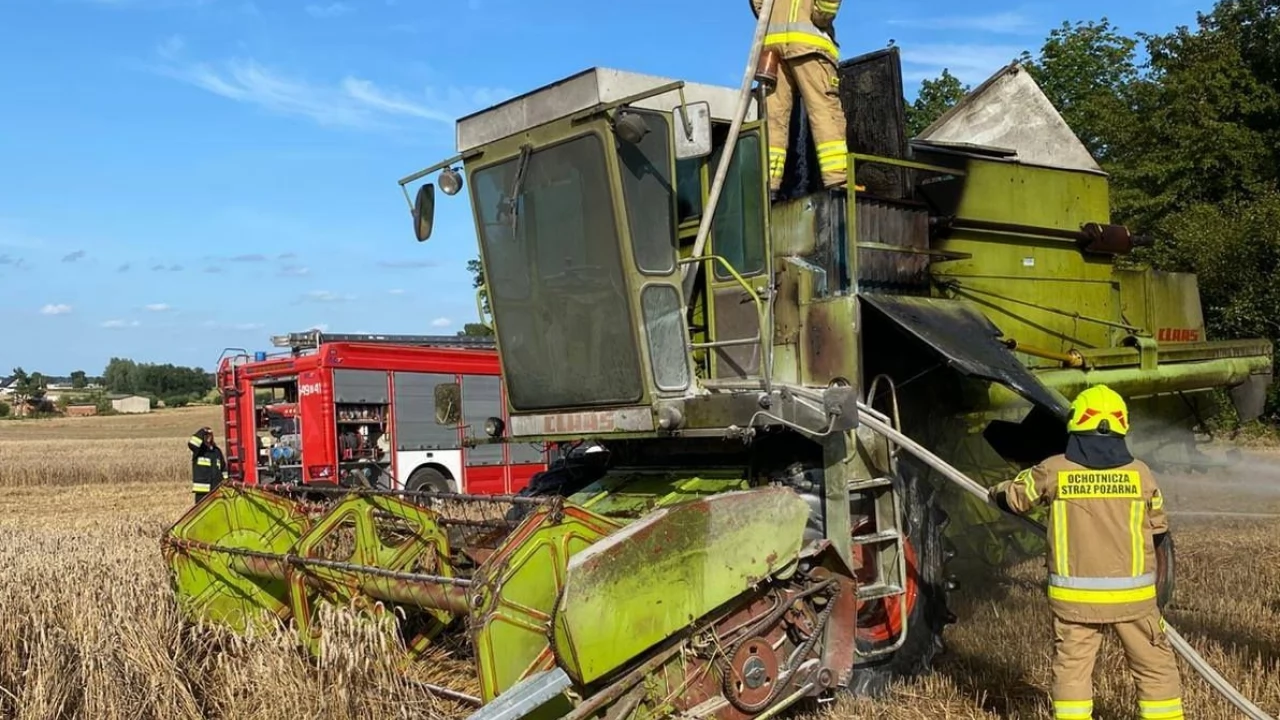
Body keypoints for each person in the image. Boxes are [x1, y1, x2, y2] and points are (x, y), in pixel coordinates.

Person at [987, 384, 1183, 720]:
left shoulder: (1054, 469)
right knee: (1154, 666)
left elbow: (1014, 498)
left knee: (1072, 670)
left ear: (1076, 424)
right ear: (1122, 426)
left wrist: (995, 492)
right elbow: (1159, 530)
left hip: (1075, 601)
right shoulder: (1141, 474)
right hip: (1133, 599)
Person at [750, 0, 849, 197]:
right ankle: (837, 181)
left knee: (774, 119)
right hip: (809, 43)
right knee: (825, 111)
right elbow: (827, 7)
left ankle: (770, 185)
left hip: (771, 45)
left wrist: (772, 18)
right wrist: (819, 18)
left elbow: (759, 4)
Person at [188, 426, 227, 504]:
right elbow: (192, 443)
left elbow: (223, 468)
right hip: (202, 491)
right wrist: (203, 430)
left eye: (210, 434)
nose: (208, 436)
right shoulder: (199, 451)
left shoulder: (217, 451)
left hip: (216, 488)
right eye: (206, 435)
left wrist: (226, 481)